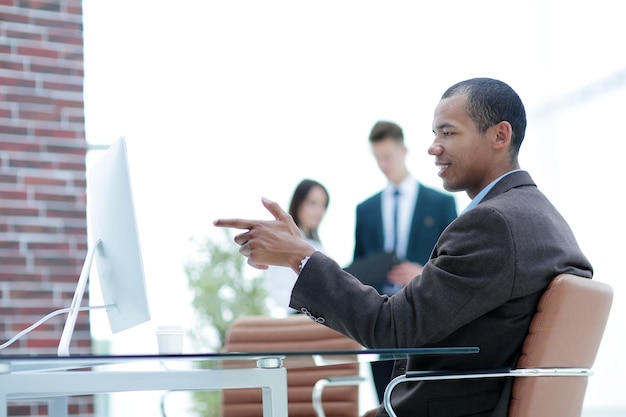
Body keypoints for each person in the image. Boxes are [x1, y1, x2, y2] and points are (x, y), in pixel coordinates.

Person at [214, 78, 593, 417]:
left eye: (448, 133)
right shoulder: (540, 216)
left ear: (499, 135)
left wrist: (300, 256)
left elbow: (391, 326)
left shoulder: (493, 224)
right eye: (433, 133)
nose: (433, 148)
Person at [354, 120, 458, 401]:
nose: (384, 165)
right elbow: (358, 268)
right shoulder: (365, 210)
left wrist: (423, 273)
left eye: (387, 157)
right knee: (386, 405)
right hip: (380, 325)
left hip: (426, 321)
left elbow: (457, 264)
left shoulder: (440, 203)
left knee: (426, 404)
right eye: (378, 159)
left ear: (404, 150)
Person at [264, 179, 330, 316]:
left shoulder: (316, 245)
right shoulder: (284, 240)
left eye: (323, 206)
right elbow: (280, 290)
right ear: (298, 203)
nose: (319, 212)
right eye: (313, 204)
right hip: (299, 316)